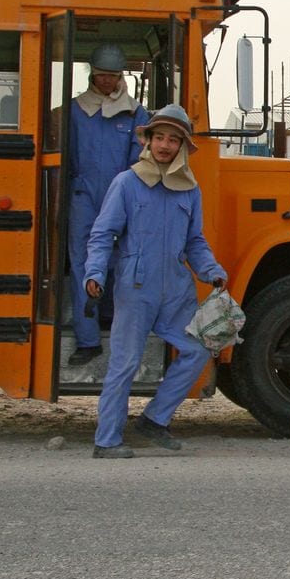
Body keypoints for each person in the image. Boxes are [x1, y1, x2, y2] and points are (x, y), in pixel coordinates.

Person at [84, 104, 227, 459]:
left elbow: (194, 241)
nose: (164, 145)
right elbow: (103, 235)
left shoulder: (189, 190)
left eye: (173, 139)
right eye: (159, 137)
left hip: (177, 289)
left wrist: (211, 271)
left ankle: (154, 419)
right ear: (147, 141)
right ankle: (107, 440)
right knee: (126, 362)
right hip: (136, 286)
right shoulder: (127, 183)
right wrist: (95, 272)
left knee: (198, 349)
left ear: (183, 147)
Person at [67, 44, 150, 366]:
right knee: (83, 264)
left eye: (112, 76)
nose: (106, 82)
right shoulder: (75, 110)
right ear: (92, 74)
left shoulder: (135, 114)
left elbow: (138, 162)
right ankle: (88, 340)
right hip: (83, 196)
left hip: (120, 197)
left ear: (120, 76)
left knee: (120, 262)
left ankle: (112, 325)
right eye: (101, 76)